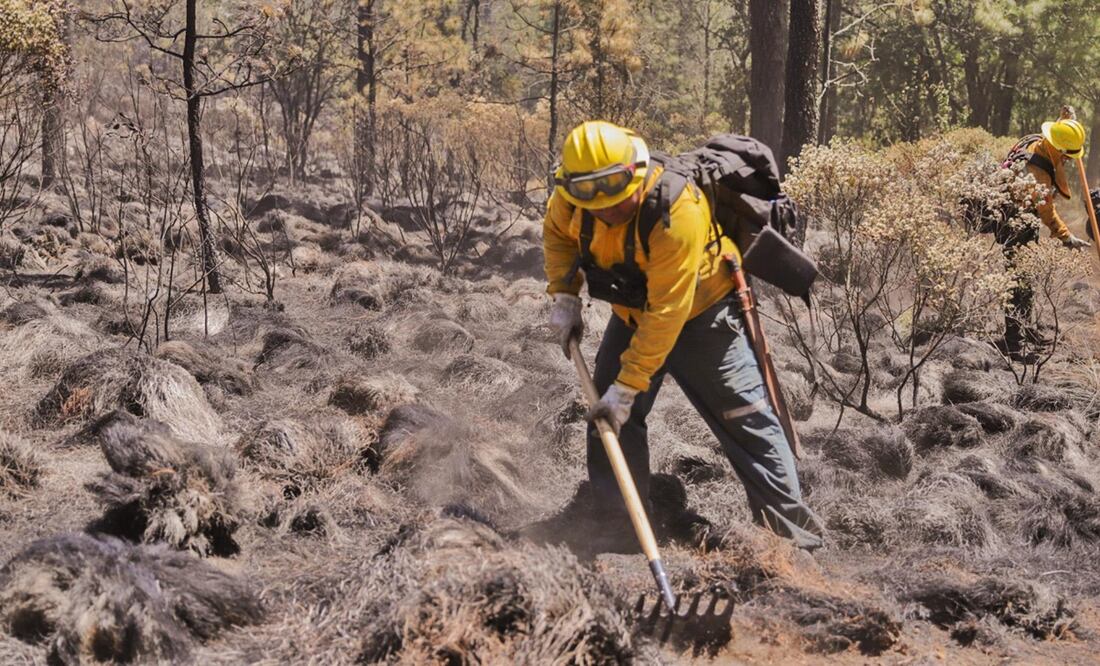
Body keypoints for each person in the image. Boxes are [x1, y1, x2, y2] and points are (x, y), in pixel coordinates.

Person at [542, 120, 823, 551]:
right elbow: (559, 237)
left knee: (745, 420)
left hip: (703, 315)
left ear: (635, 172)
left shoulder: (677, 210)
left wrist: (628, 388)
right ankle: (622, 527)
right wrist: (565, 296)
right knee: (608, 420)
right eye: (590, 198)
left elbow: (667, 314)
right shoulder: (573, 199)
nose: (606, 209)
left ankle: (793, 542)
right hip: (633, 310)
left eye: (616, 195)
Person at [999, 112, 1092, 353]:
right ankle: (1012, 341)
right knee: (1017, 281)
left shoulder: (1043, 141)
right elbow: (1047, 212)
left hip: (1025, 220)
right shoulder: (1035, 173)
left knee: (1026, 277)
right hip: (1015, 225)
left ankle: (1027, 328)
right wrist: (1066, 236)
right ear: (1057, 148)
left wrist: (1065, 121)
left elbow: (1057, 136)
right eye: (1067, 155)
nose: (1069, 160)